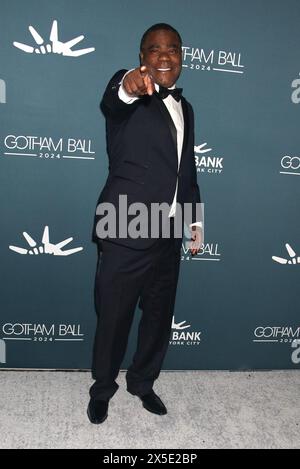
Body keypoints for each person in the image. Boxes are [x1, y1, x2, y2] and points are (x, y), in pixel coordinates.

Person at [88, 23, 202, 424]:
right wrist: (130, 85)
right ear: (142, 57)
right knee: (114, 318)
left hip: (168, 234)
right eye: (155, 50)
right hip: (125, 227)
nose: (165, 56)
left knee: (158, 317)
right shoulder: (130, 90)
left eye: (173, 49)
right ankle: (102, 389)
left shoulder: (185, 108)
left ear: (182, 57)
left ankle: (142, 382)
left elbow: (186, 171)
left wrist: (193, 220)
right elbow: (116, 98)